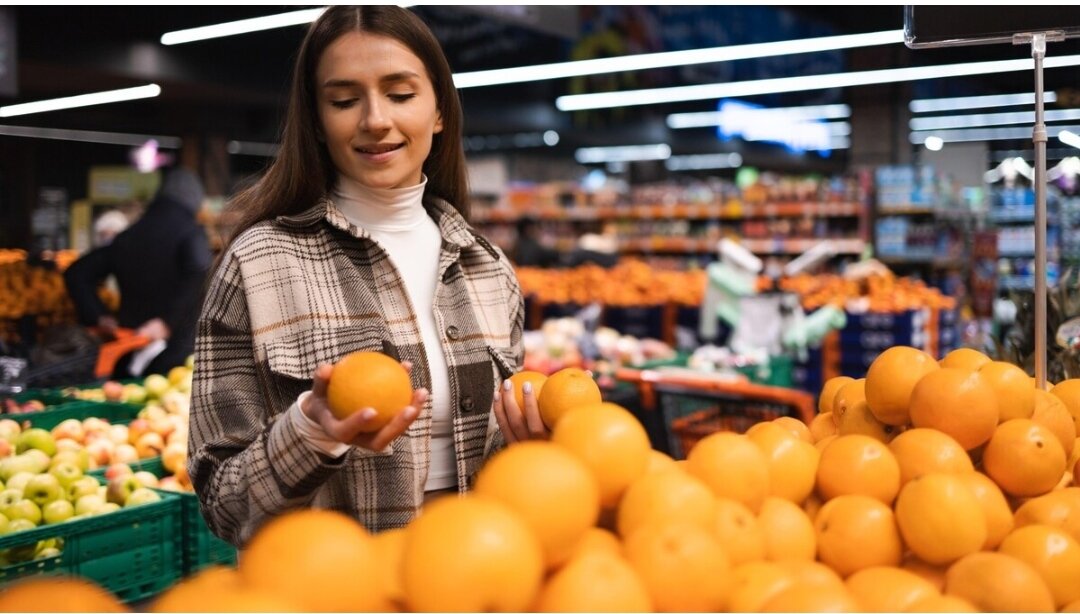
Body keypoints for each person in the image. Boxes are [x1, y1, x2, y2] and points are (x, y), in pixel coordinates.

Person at [187, 5, 547, 547]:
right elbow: (224, 507)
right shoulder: (259, 263)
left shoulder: (487, 268)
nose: (375, 119)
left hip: (473, 577)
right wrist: (310, 432)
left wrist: (525, 446)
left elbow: (491, 474)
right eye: (344, 100)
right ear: (316, 119)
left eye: (401, 95)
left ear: (440, 111)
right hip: (334, 589)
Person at [63, 167, 211, 377]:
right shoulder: (191, 233)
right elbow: (200, 268)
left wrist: (98, 316)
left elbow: (76, 274)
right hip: (178, 356)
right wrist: (167, 323)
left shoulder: (128, 236)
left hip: (127, 349)